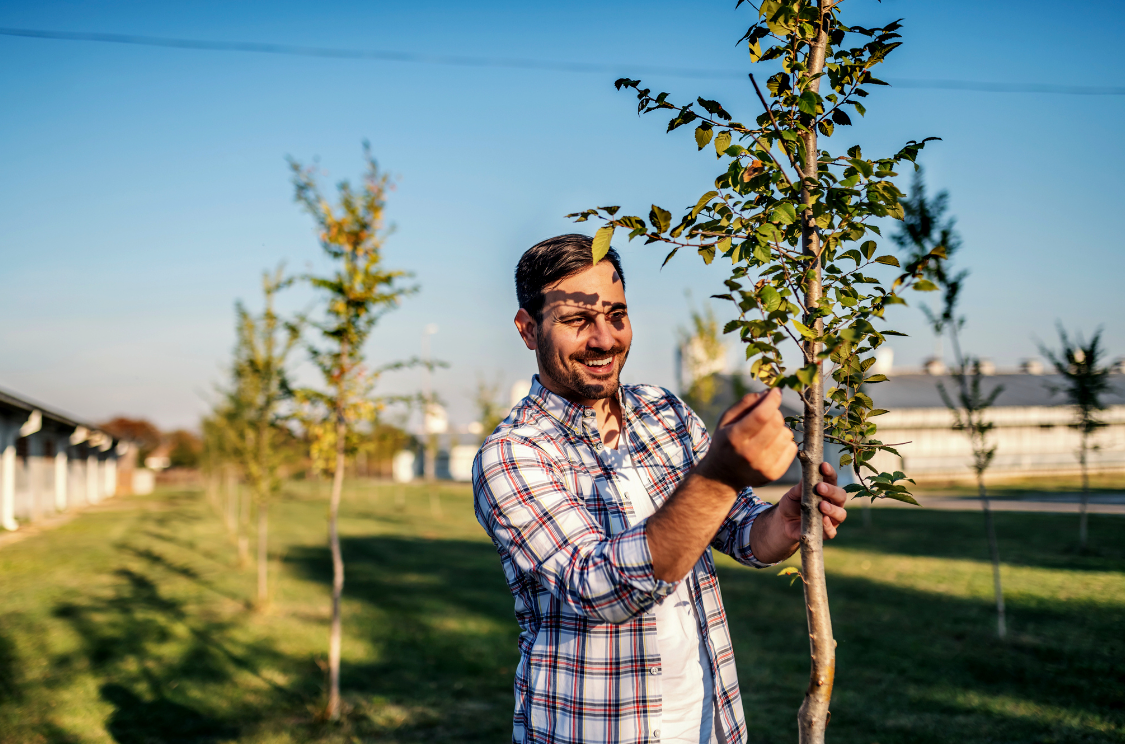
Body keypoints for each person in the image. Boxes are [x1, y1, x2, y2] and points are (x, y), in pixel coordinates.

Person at [472, 234, 849, 744]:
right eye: (577, 321)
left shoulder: (663, 411)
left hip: (708, 724)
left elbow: (735, 529)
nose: (605, 340)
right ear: (527, 329)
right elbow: (598, 586)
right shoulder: (511, 455)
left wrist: (777, 525)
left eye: (617, 315)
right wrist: (719, 473)